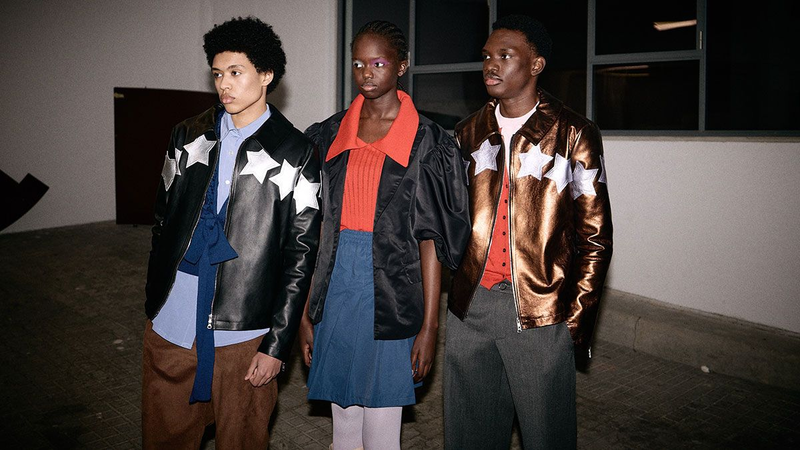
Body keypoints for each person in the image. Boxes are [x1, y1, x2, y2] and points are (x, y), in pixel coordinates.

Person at [142, 16, 321, 449]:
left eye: (236, 72)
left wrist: (276, 345)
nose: (224, 84)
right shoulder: (186, 135)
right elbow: (162, 221)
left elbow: (301, 257)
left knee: (242, 440)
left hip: (244, 330)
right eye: (218, 73)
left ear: (266, 75)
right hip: (172, 322)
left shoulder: (296, 152)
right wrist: (154, 304)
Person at [298, 20, 470, 450]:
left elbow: (430, 241)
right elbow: (315, 230)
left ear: (402, 66)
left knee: (381, 424)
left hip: (394, 288)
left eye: (378, 63)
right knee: (343, 421)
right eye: (358, 64)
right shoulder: (328, 135)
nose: (367, 73)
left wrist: (429, 326)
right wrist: (305, 311)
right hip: (335, 281)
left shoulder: (428, 143)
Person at [444, 14, 613, 450]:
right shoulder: (466, 133)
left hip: (541, 309)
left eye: (505, 56)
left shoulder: (574, 133)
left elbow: (595, 238)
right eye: (486, 56)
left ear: (536, 65)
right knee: (470, 435)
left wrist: (573, 320)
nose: (491, 65)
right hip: (470, 306)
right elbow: (448, 221)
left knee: (546, 435)